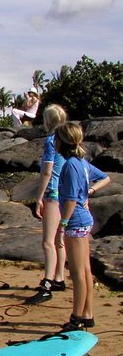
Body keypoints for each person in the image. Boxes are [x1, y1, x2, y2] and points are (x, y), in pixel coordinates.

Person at [55, 122, 110, 331]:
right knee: (85, 270)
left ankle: (76, 318)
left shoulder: (70, 164)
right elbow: (105, 178)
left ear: (62, 141)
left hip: (76, 221)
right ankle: (88, 314)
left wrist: (62, 225)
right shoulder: (81, 161)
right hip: (84, 219)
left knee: (78, 273)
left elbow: (69, 200)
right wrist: (90, 192)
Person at [26, 104, 68, 304]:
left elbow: (47, 172)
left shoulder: (52, 141)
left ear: (48, 121)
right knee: (59, 239)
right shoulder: (68, 140)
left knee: (48, 241)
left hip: (53, 194)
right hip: (67, 195)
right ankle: (59, 277)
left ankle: (47, 284)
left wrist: (39, 198)